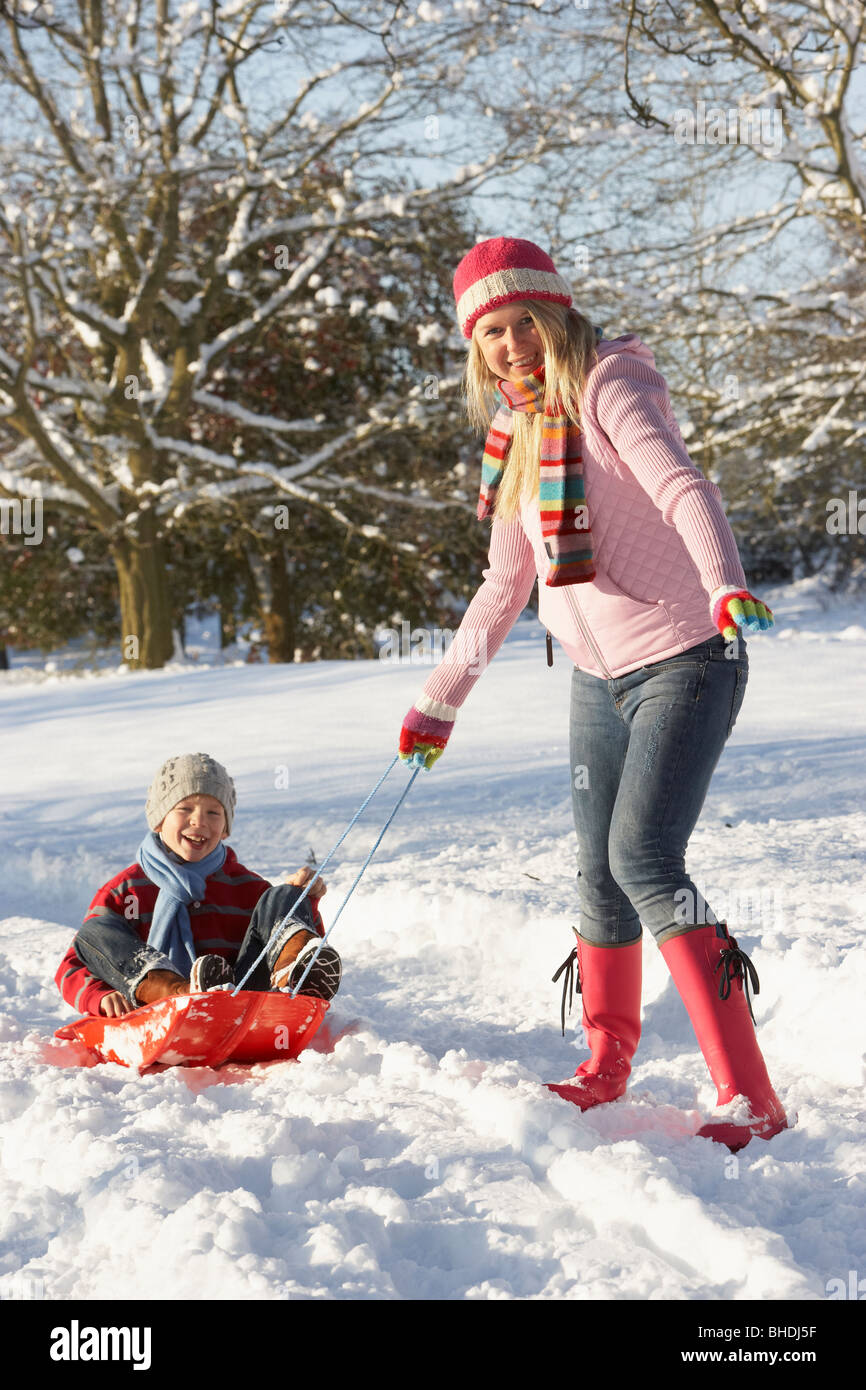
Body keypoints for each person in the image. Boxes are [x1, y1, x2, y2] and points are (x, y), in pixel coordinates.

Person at [398, 236, 786, 1153]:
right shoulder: (514, 433)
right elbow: (505, 584)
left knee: (645, 859)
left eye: (523, 320)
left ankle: (750, 1097)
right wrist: (439, 700)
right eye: (489, 331)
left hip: (689, 653)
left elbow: (681, 484)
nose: (510, 343)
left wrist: (726, 581)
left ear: (557, 315)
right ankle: (606, 1065)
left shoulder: (614, 385)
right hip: (595, 675)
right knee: (598, 873)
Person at [55, 753, 341, 1017]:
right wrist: (100, 996)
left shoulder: (248, 888)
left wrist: (302, 901)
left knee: (282, 896)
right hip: (156, 1008)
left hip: (239, 998)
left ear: (225, 827)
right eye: (185, 808)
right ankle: (182, 992)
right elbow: (74, 964)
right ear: (158, 820)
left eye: (213, 813)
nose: (199, 821)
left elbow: (282, 929)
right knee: (93, 932)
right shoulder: (127, 889)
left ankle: (295, 980)